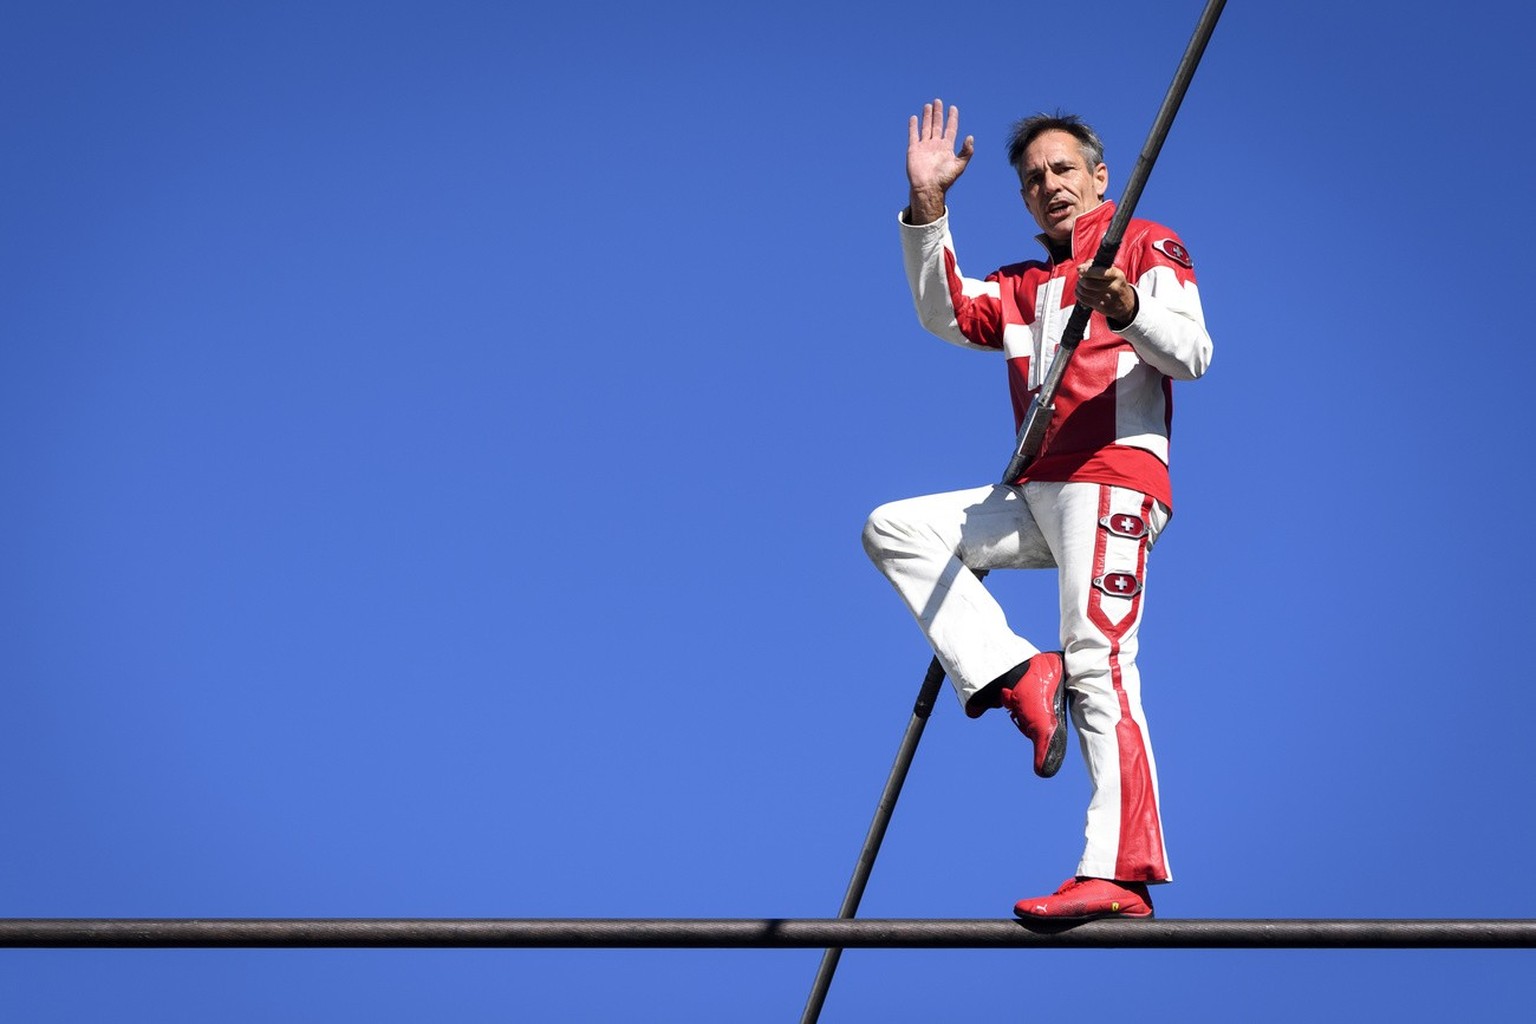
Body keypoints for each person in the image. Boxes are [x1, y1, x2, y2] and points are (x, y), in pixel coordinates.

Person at [862, 99, 1212, 920]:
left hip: (1111, 480)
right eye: (1031, 180)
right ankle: (1019, 672)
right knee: (894, 527)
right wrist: (929, 206)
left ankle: (1120, 873)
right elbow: (946, 310)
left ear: (1100, 176)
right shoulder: (1025, 288)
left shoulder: (1144, 241)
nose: (1048, 186)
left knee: (1102, 666)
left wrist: (1125, 304)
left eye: (1062, 170)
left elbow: (1192, 352)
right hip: (1038, 490)